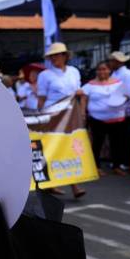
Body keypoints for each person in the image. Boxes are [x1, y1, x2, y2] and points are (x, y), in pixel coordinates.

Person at [36, 42, 86, 198]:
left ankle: (74, 185)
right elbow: (42, 99)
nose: (54, 58)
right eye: (52, 56)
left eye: (57, 55)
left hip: (71, 114)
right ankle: (54, 183)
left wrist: (82, 111)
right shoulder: (45, 75)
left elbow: (79, 93)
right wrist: (39, 117)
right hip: (52, 115)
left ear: (65, 56)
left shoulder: (74, 72)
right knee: (53, 148)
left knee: (70, 147)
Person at [79, 61, 127, 176]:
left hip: (117, 118)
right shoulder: (90, 85)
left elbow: (124, 95)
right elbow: (83, 98)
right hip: (97, 118)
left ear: (109, 70)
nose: (102, 72)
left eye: (104, 69)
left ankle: (116, 166)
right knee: (97, 143)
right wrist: (82, 113)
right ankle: (96, 166)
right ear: (96, 71)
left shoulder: (118, 83)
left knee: (116, 143)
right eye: (99, 69)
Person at [108, 51, 130, 173]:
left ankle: (126, 161)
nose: (110, 63)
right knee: (116, 137)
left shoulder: (128, 74)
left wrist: (120, 104)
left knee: (125, 137)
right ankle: (117, 160)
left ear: (117, 62)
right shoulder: (114, 73)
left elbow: (129, 93)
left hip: (124, 109)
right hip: (114, 108)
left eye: (111, 61)